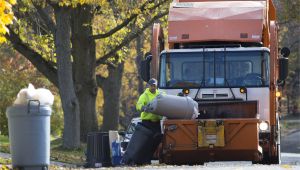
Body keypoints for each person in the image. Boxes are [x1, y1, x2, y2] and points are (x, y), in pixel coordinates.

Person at [121, 78, 163, 165]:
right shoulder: (144, 95)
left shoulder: (160, 94)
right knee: (146, 143)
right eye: (151, 85)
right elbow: (139, 105)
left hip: (156, 122)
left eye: (154, 85)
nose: (153, 87)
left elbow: (167, 99)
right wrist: (143, 108)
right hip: (147, 122)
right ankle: (144, 160)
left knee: (156, 141)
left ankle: (147, 158)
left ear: (156, 86)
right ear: (148, 86)